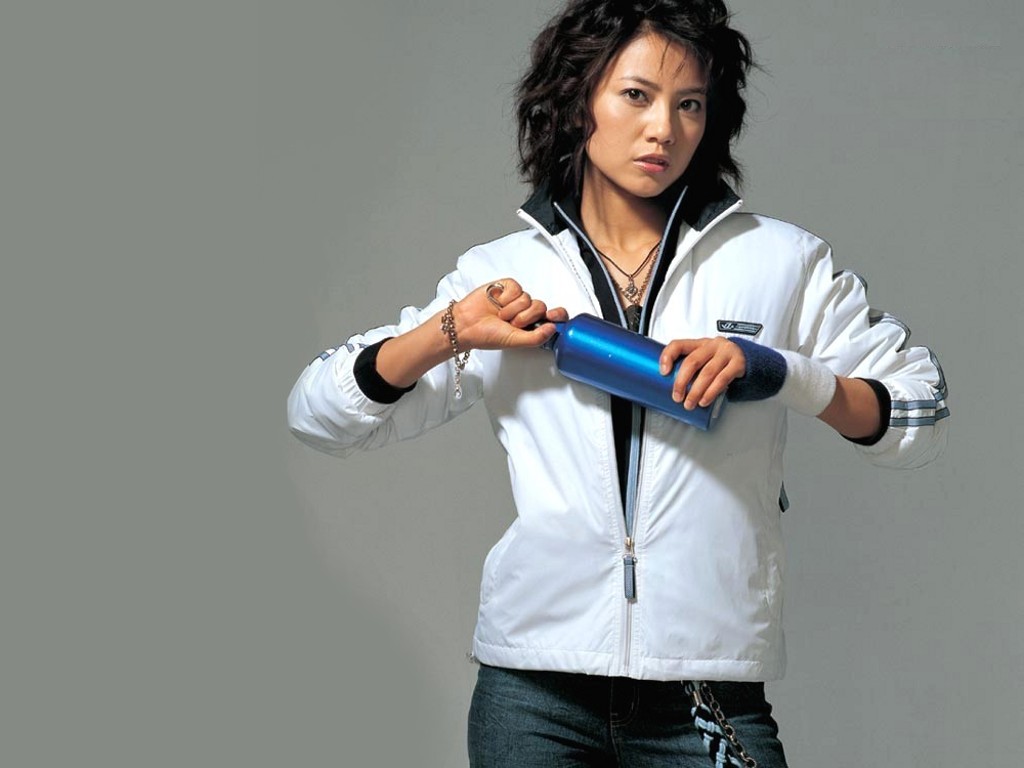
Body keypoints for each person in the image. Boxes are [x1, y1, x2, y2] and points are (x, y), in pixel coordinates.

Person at [287, 0, 949, 764]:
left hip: (704, 688)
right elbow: (318, 416)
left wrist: (780, 373)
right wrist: (450, 331)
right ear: (578, 101)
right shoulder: (502, 275)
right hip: (532, 695)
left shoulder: (780, 261)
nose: (664, 128)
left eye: (689, 104)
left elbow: (919, 417)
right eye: (637, 95)